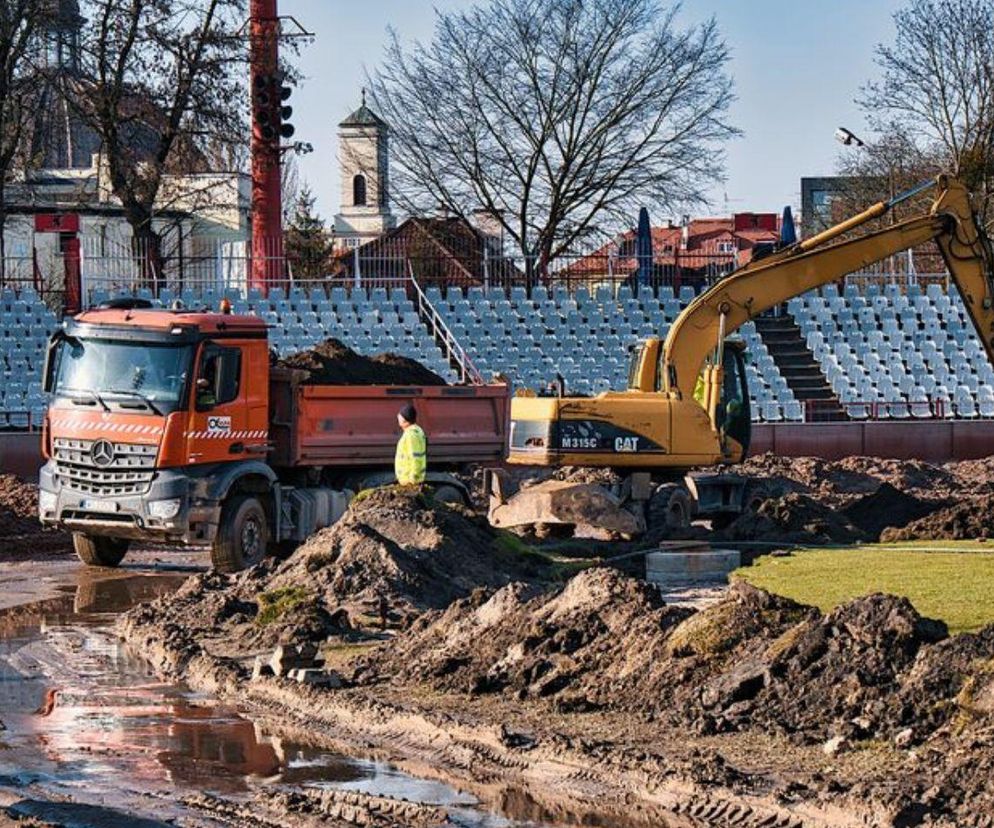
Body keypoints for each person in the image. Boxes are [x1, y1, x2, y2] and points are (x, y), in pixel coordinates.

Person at [395, 403, 427, 485]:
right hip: (408, 480)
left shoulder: (411, 435)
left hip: (409, 481)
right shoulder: (416, 431)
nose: (398, 416)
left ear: (405, 419)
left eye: (400, 415)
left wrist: (413, 480)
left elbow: (415, 458)